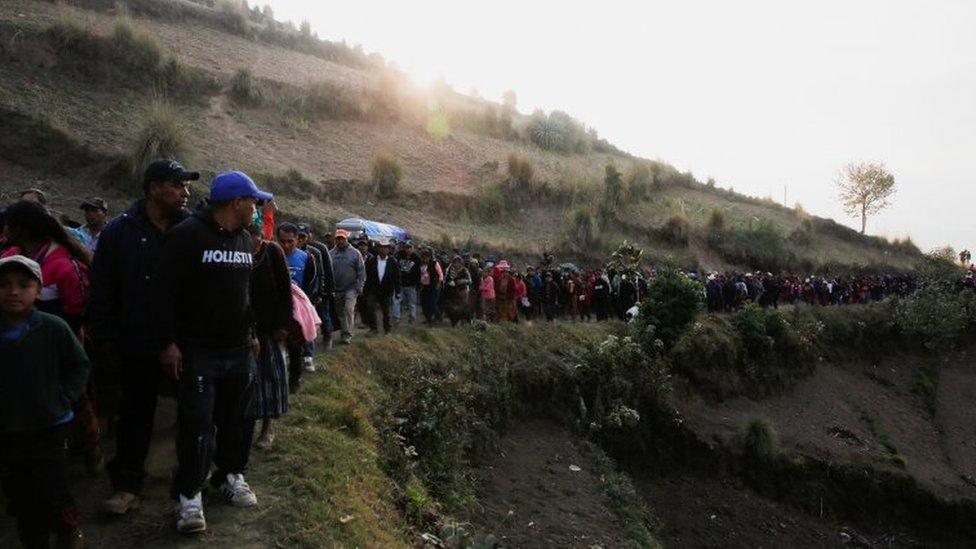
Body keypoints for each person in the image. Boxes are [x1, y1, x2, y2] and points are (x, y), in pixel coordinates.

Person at [152, 170, 270, 533]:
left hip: (238, 349)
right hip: (198, 351)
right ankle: (189, 495)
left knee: (239, 420)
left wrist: (251, 332)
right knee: (197, 424)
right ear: (237, 202)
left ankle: (231, 475)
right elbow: (162, 294)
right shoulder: (186, 235)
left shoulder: (243, 239)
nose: (257, 207)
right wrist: (168, 343)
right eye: (254, 201)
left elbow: (243, 294)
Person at [88, 158, 195, 515]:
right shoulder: (119, 232)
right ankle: (127, 485)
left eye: (186, 186)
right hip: (135, 343)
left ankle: (189, 485)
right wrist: (105, 341)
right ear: (153, 188)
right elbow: (102, 289)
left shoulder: (193, 229)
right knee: (134, 415)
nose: (185, 192)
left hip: (187, 343)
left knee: (194, 413)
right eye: (177, 185)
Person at [1, 201, 100, 474]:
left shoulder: (63, 265)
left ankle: (90, 450)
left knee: (77, 399)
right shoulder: (12, 256)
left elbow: (79, 308)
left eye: (8, 224)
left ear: (21, 229)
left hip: (61, 341)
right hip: (18, 341)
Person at [0, 256, 90, 549]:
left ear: (38, 290)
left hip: (51, 424)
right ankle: (33, 537)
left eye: (23, 285)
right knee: (20, 488)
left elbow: (79, 365)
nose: (13, 292)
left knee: (53, 484)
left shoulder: (53, 328)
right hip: (9, 428)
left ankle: (67, 528)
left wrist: (63, 397)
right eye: (4, 285)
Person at [245, 220, 292, 450]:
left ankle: (267, 428)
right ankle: (245, 426)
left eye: (254, 243)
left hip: (270, 328)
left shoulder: (273, 252)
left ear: (261, 238)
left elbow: (285, 291)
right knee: (248, 381)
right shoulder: (237, 251)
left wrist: (283, 325)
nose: (251, 249)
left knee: (270, 378)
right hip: (244, 329)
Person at [298, 224, 335, 350]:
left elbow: (326, 271)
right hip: (303, 290)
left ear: (310, 235)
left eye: (304, 236)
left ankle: (328, 336)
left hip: (319, 288)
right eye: (299, 235)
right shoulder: (293, 249)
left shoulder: (319, 249)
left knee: (323, 313)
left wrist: (326, 290)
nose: (301, 238)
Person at [329, 229, 365, 344]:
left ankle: (347, 335)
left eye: (342, 238)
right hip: (337, 288)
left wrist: (360, 286)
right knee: (340, 313)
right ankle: (343, 331)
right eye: (338, 238)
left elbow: (361, 271)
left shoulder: (355, 253)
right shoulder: (331, 253)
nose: (340, 241)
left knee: (348, 309)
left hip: (351, 288)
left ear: (346, 239)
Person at [363, 239, 400, 334]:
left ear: (388, 249)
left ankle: (387, 329)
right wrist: (365, 289)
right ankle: (373, 328)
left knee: (386, 311)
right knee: (370, 307)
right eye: (382, 247)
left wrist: (397, 291)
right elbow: (366, 276)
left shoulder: (393, 262)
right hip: (373, 289)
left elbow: (397, 277)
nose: (384, 249)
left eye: (386, 247)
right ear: (378, 248)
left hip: (387, 290)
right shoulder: (372, 261)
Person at [394, 241, 422, 324]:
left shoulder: (417, 258)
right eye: (407, 247)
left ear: (413, 248)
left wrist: (417, 284)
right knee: (396, 301)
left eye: (410, 247)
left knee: (412, 303)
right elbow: (395, 268)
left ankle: (412, 318)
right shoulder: (399, 255)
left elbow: (418, 273)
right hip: (400, 284)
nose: (408, 249)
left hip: (411, 285)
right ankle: (396, 318)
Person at [442, 255, 473, 326]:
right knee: (453, 307)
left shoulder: (465, 270)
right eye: (455, 262)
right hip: (452, 291)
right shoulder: (449, 269)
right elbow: (445, 278)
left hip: (463, 290)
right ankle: (455, 321)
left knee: (463, 306)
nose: (456, 264)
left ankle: (463, 321)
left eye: (458, 262)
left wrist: (463, 281)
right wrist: (449, 282)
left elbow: (470, 280)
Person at [419, 247, 443, 325]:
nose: (425, 258)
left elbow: (441, 274)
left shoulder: (434, 263)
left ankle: (438, 316)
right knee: (424, 304)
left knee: (432, 304)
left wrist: (439, 283)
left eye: (426, 256)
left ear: (429, 256)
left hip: (434, 286)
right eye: (423, 256)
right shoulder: (420, 263)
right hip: (424, 286)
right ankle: (428, 319)